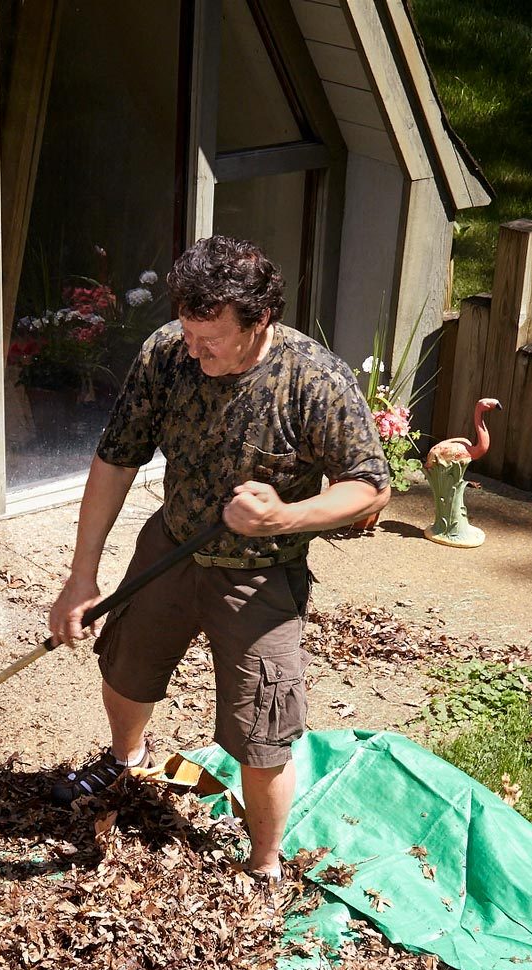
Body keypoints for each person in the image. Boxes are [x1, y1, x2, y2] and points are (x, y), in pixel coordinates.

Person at [46, 235, 391, 880]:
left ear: (259, 321)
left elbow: (370, 486)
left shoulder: (314, 380)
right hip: (172, 543)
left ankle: (264, 869)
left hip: (260, 574)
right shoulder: (168, 355)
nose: (194, 349)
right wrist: (81, 575)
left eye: (211, 339)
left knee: (262, 732)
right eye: (187, 331)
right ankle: (123, 764)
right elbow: (117, 457)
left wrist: (284, 516)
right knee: (127, 663)